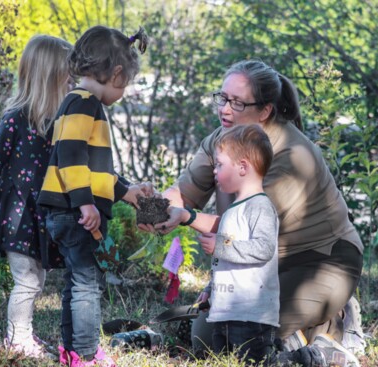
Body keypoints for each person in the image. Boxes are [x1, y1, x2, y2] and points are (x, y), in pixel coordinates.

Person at [150, 60, 364, 366]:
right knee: (206, 338)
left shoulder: (292, 155)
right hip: (259, 265)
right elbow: (184, 192)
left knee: (247, 343)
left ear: (264, 111)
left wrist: (187, 218)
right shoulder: (222, 139)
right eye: (222, 98)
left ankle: (337, 316)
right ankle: (309, 318)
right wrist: (153, 210)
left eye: (237, 103)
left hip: (320, 259)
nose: (225, 110)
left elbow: (245, 230)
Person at [37, 25, 149, 367]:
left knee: (78, 282)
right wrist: (85, 202)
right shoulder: (83, 104)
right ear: (116, 73)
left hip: (70, 208)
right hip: (74, 210)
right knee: (87, 284)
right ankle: (85, 355)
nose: (123, 91)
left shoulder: (80, 103)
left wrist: (126, 192)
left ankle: (72, 350)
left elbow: (93, 169)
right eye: (125, 83)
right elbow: (69, 158)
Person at [0, 35, 73, 359]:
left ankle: (24, 335)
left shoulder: (58, 122)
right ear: (51, 76)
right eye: (68, 72)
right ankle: (17, 340)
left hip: (39, 215)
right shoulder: (16, 118)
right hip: (16, 215)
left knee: (37, 278)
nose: (72, 78)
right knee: (28, 281)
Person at [168, 124, 280, 365]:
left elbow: (263, 249)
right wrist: (211, 288)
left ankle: (303, 357)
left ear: (242, 167)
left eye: (219, 164)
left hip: (251, 315)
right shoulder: (232, 210)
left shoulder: (260, 207)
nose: (215, 171)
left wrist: (221, 246)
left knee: (257, 362)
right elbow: (225, 262)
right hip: (224, 311)